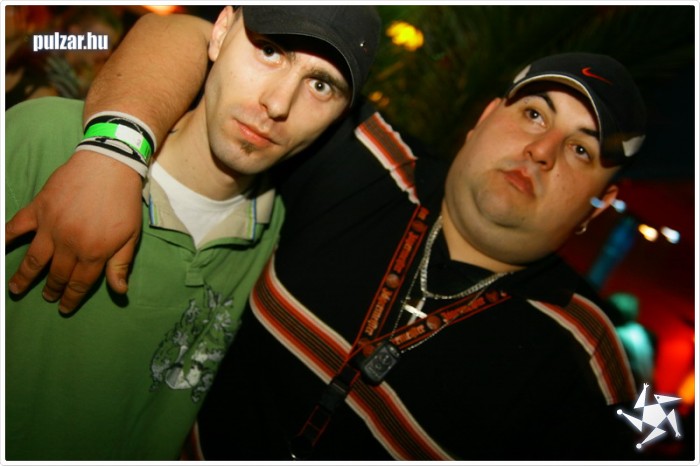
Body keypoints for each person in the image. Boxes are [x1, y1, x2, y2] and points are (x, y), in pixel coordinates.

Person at [5, 13, 645, 462]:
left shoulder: (587, 357)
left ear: (599, 208)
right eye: (534, 114)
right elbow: (191, 33)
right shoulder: (364, 165)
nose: (541, 151)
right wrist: (115, 148)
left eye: (582, 150)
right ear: (483, 119)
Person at [4, 5, 381, 460]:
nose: (278, 104)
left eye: (321, 85)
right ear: (220, 32)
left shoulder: (278, 246)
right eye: (269, 51)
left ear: (340, 116)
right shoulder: (44, 140)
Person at [5, 5, 124, 109]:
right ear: (75, 32)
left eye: (110, 45)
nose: (106, 52)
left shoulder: (69, 76)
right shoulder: (41, 67)